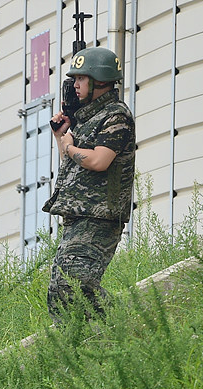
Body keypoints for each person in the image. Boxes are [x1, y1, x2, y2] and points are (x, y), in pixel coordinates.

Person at [44, 46, 136, 322]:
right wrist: (62, 136)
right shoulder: (87, 117)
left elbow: (99, 161)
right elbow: (72, 162)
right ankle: (75, 347)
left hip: (100, 216)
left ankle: (128, 322)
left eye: (81, 78)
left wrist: (71, 147)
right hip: (78, 216)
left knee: (78, 282)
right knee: (59, 289)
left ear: (101, 80)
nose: (75, 85)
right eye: (74, 79)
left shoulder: (115, 116)